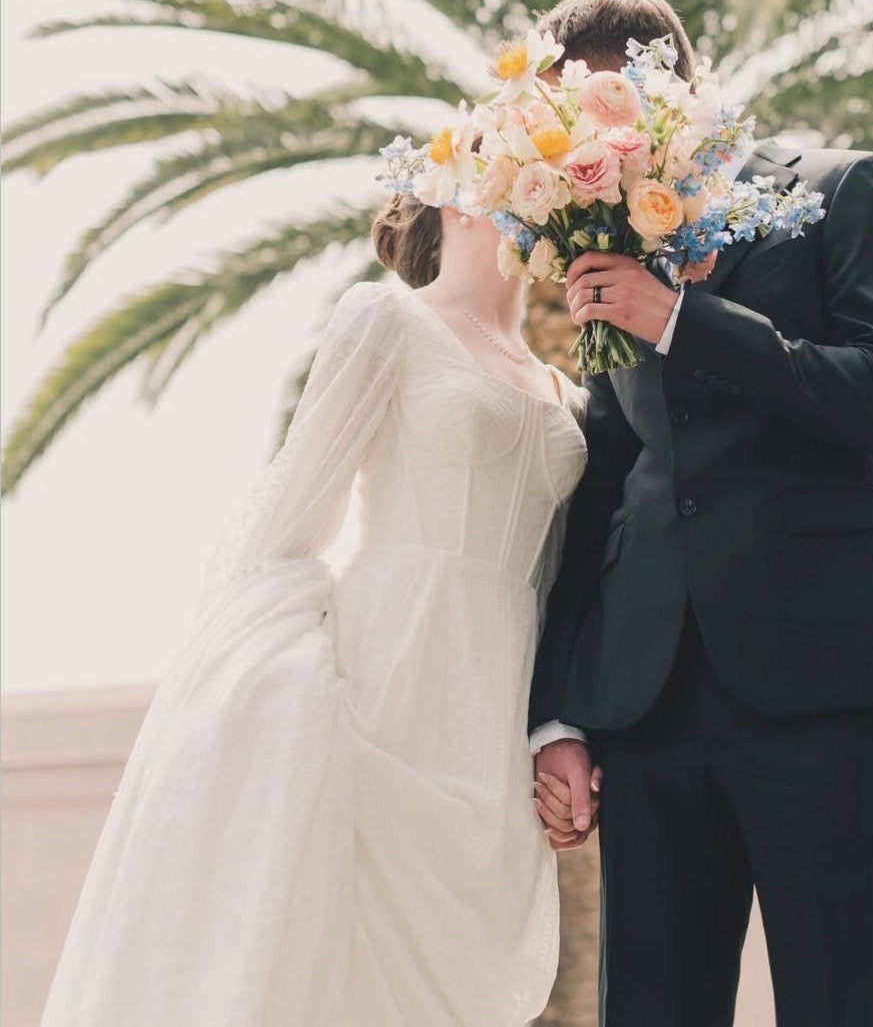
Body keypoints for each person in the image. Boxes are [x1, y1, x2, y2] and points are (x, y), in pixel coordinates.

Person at [41, 197, 594, 1027]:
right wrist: (278, 683)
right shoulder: (388, 321)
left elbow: (563, 587)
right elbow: (288, 520)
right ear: (454, 191)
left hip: (491, 731)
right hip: (378, 688)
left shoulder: (572, 396)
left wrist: (556, 730)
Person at [529, 0, 873, 1026]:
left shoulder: (846, 189)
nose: (589, 146)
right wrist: (557, 712)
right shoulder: (605, 240)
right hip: (647, 699)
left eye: (604, 115)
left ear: (676, 91)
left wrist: (683, 321)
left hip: (821, 680)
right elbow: (606, 471)